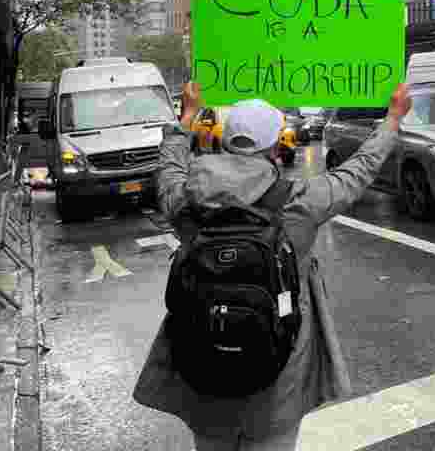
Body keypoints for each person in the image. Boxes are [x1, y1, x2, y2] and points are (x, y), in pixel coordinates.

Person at [133, 81, 411, 450]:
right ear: (275, 145)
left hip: (202, 370)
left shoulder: (186, 198)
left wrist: (186, 118)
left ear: (225, 140)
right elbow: (357, 172)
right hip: (278, 378)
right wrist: (392, 120)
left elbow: (168, 167)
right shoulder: (300, 201)